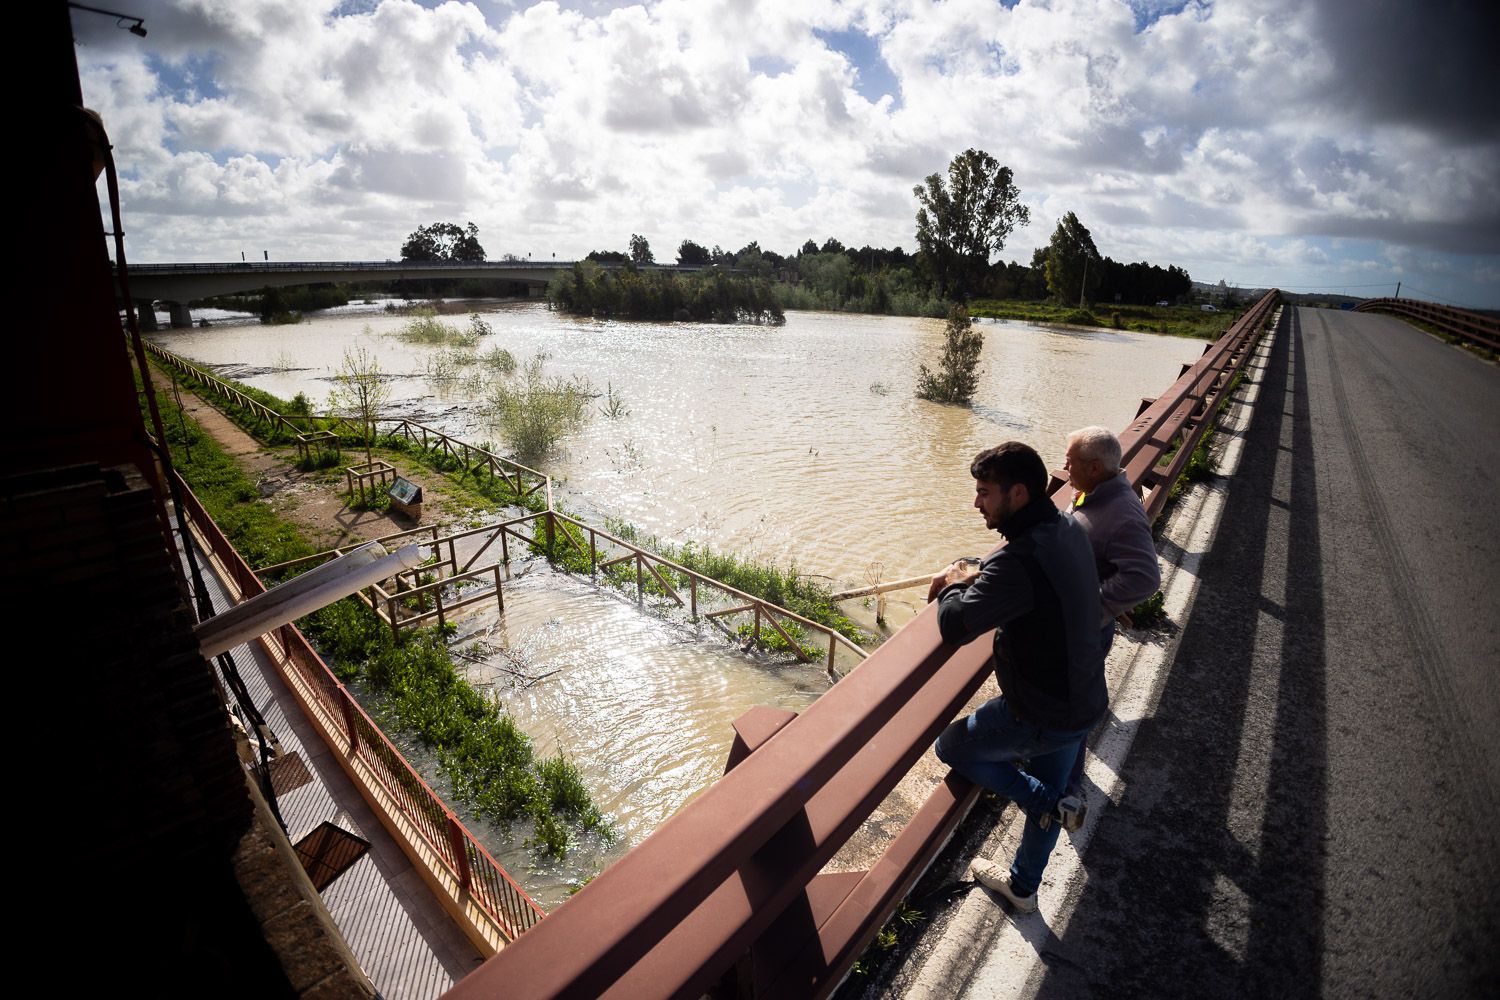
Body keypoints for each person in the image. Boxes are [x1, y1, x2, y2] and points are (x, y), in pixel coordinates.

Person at [928, 441, 1106, 914]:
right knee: (1053, 770)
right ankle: (1024, 888)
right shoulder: (1066, 525)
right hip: (1083, 697)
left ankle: (1045, 801)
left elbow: (954, 626)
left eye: (984, 492)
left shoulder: (1017, 562)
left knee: (951, 746)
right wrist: (981, 572)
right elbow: (1021, 578)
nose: (976, 502)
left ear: (1019, 494)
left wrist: (951, 585)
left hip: (1041, 711)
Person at [1060, 426, 1162, 797]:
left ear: (1094, 467)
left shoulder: (1120, 512)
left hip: (1086, 629)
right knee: (1071, 700)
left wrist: (1094, 606)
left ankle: (1067, 789)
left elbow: (1145, 578)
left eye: (1070, 461)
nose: (1064, 466)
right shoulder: (1095, 491)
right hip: (1079, 625)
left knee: (1071, 709)